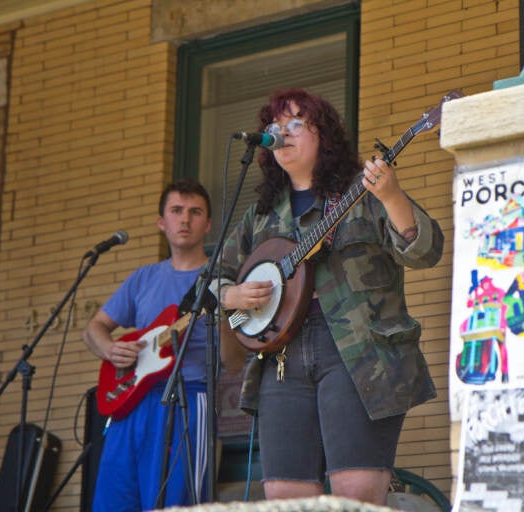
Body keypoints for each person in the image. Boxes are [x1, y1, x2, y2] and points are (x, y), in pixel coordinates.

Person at [214, 88, 444, 505]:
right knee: (285, 496)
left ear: (325, 135)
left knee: (354, 493)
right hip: (281, 358)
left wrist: (391, 196)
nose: (282, 134)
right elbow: (209, 282)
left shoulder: (362, 193)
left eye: (295, 124)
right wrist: (231, 294)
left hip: (359, 354)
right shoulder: (260, 216)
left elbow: (426, 252)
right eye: (274, 128)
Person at [82, 178, 246, 511]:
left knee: (175, 504)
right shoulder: (142, 278)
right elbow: (94, 328)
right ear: (162, 222)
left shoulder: (223, 281)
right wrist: (111, 349)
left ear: (208, 224)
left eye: (195, 212)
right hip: (130, 403)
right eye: (176, 211)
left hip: (189, 399)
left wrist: (227, 317)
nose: (185, 219)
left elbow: (235, 362)